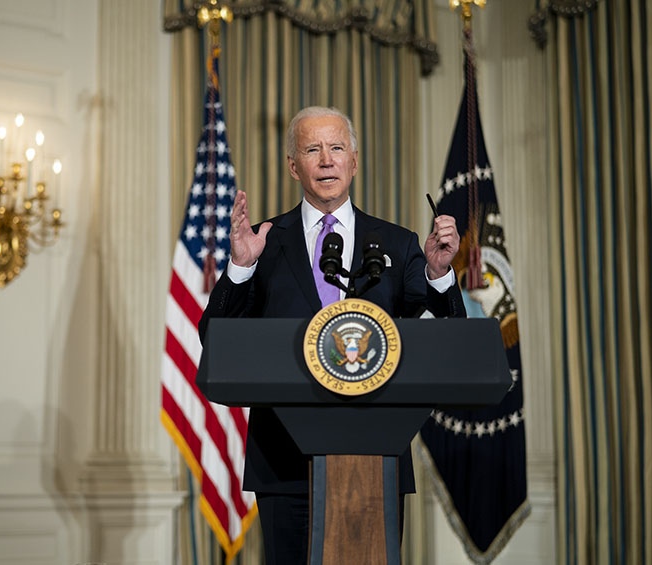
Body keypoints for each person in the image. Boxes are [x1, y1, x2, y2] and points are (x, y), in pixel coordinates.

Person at [198, 106, 466, 563]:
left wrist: (439, 274)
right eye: (312, 149)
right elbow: (215, 339)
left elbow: (450, 340)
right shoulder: (264, 240)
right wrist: (241, 267)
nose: (326, 160)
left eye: (337, 148)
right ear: (293, 165)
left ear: (354, 162)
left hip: (376, 457)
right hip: (283, 463)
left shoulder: (398, 245)